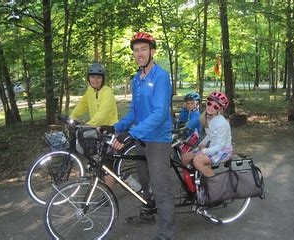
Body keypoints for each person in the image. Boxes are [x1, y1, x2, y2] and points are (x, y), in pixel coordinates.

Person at [102, 32, 176, 240]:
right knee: (144, 181)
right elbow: (134, 112)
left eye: (143, 49)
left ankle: (167, 234)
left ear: (152, 51)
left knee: (160, 187)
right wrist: (116, 127)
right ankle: (149, 211)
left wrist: (130, 134)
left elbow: (160, 114)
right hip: (141, 139)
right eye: (136, 50)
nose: (139, 53)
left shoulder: (161, 76)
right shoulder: (137, 79)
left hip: (158, 140)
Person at [70, 62, 118, 189]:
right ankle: (104, 185)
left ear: (103, 79)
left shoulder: (107, 92)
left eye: (98, 77)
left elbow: (103, 113)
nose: (95, 80)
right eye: (92, 77)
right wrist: (72, 117)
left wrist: (88, 125)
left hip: (109, 130)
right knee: (97, 161)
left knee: (106, 164)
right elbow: (82, 105)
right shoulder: (90, 91)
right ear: (88, 78)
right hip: (97, 131)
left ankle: (109, 193)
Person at [181, 91, 233, 177]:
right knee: (184, 158)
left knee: (197, 161)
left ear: (220, 109)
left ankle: (215, 184)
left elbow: (220, 145)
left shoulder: (221, 123)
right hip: (212, 148)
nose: (211, 107)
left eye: (215, 106)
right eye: (209, 103)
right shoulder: (206, 117)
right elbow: (210, 134)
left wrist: (204, 151)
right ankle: (199, 178)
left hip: (222, 151)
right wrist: (203, 143)